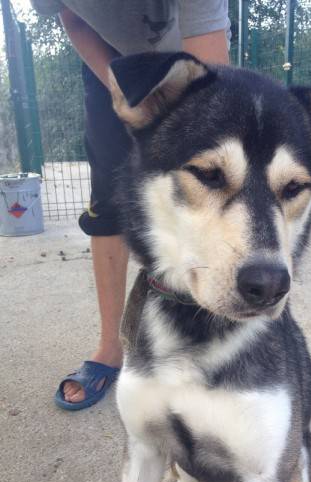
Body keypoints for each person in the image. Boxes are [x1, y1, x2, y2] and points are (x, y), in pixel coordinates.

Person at [31, 1, 230, 409]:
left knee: (215, 178)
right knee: (109, 200)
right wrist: (124, 92)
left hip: (195, 56)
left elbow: (211, 70)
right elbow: (73, 18)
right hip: (112, 61)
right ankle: (111, 346)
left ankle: (210, 345)